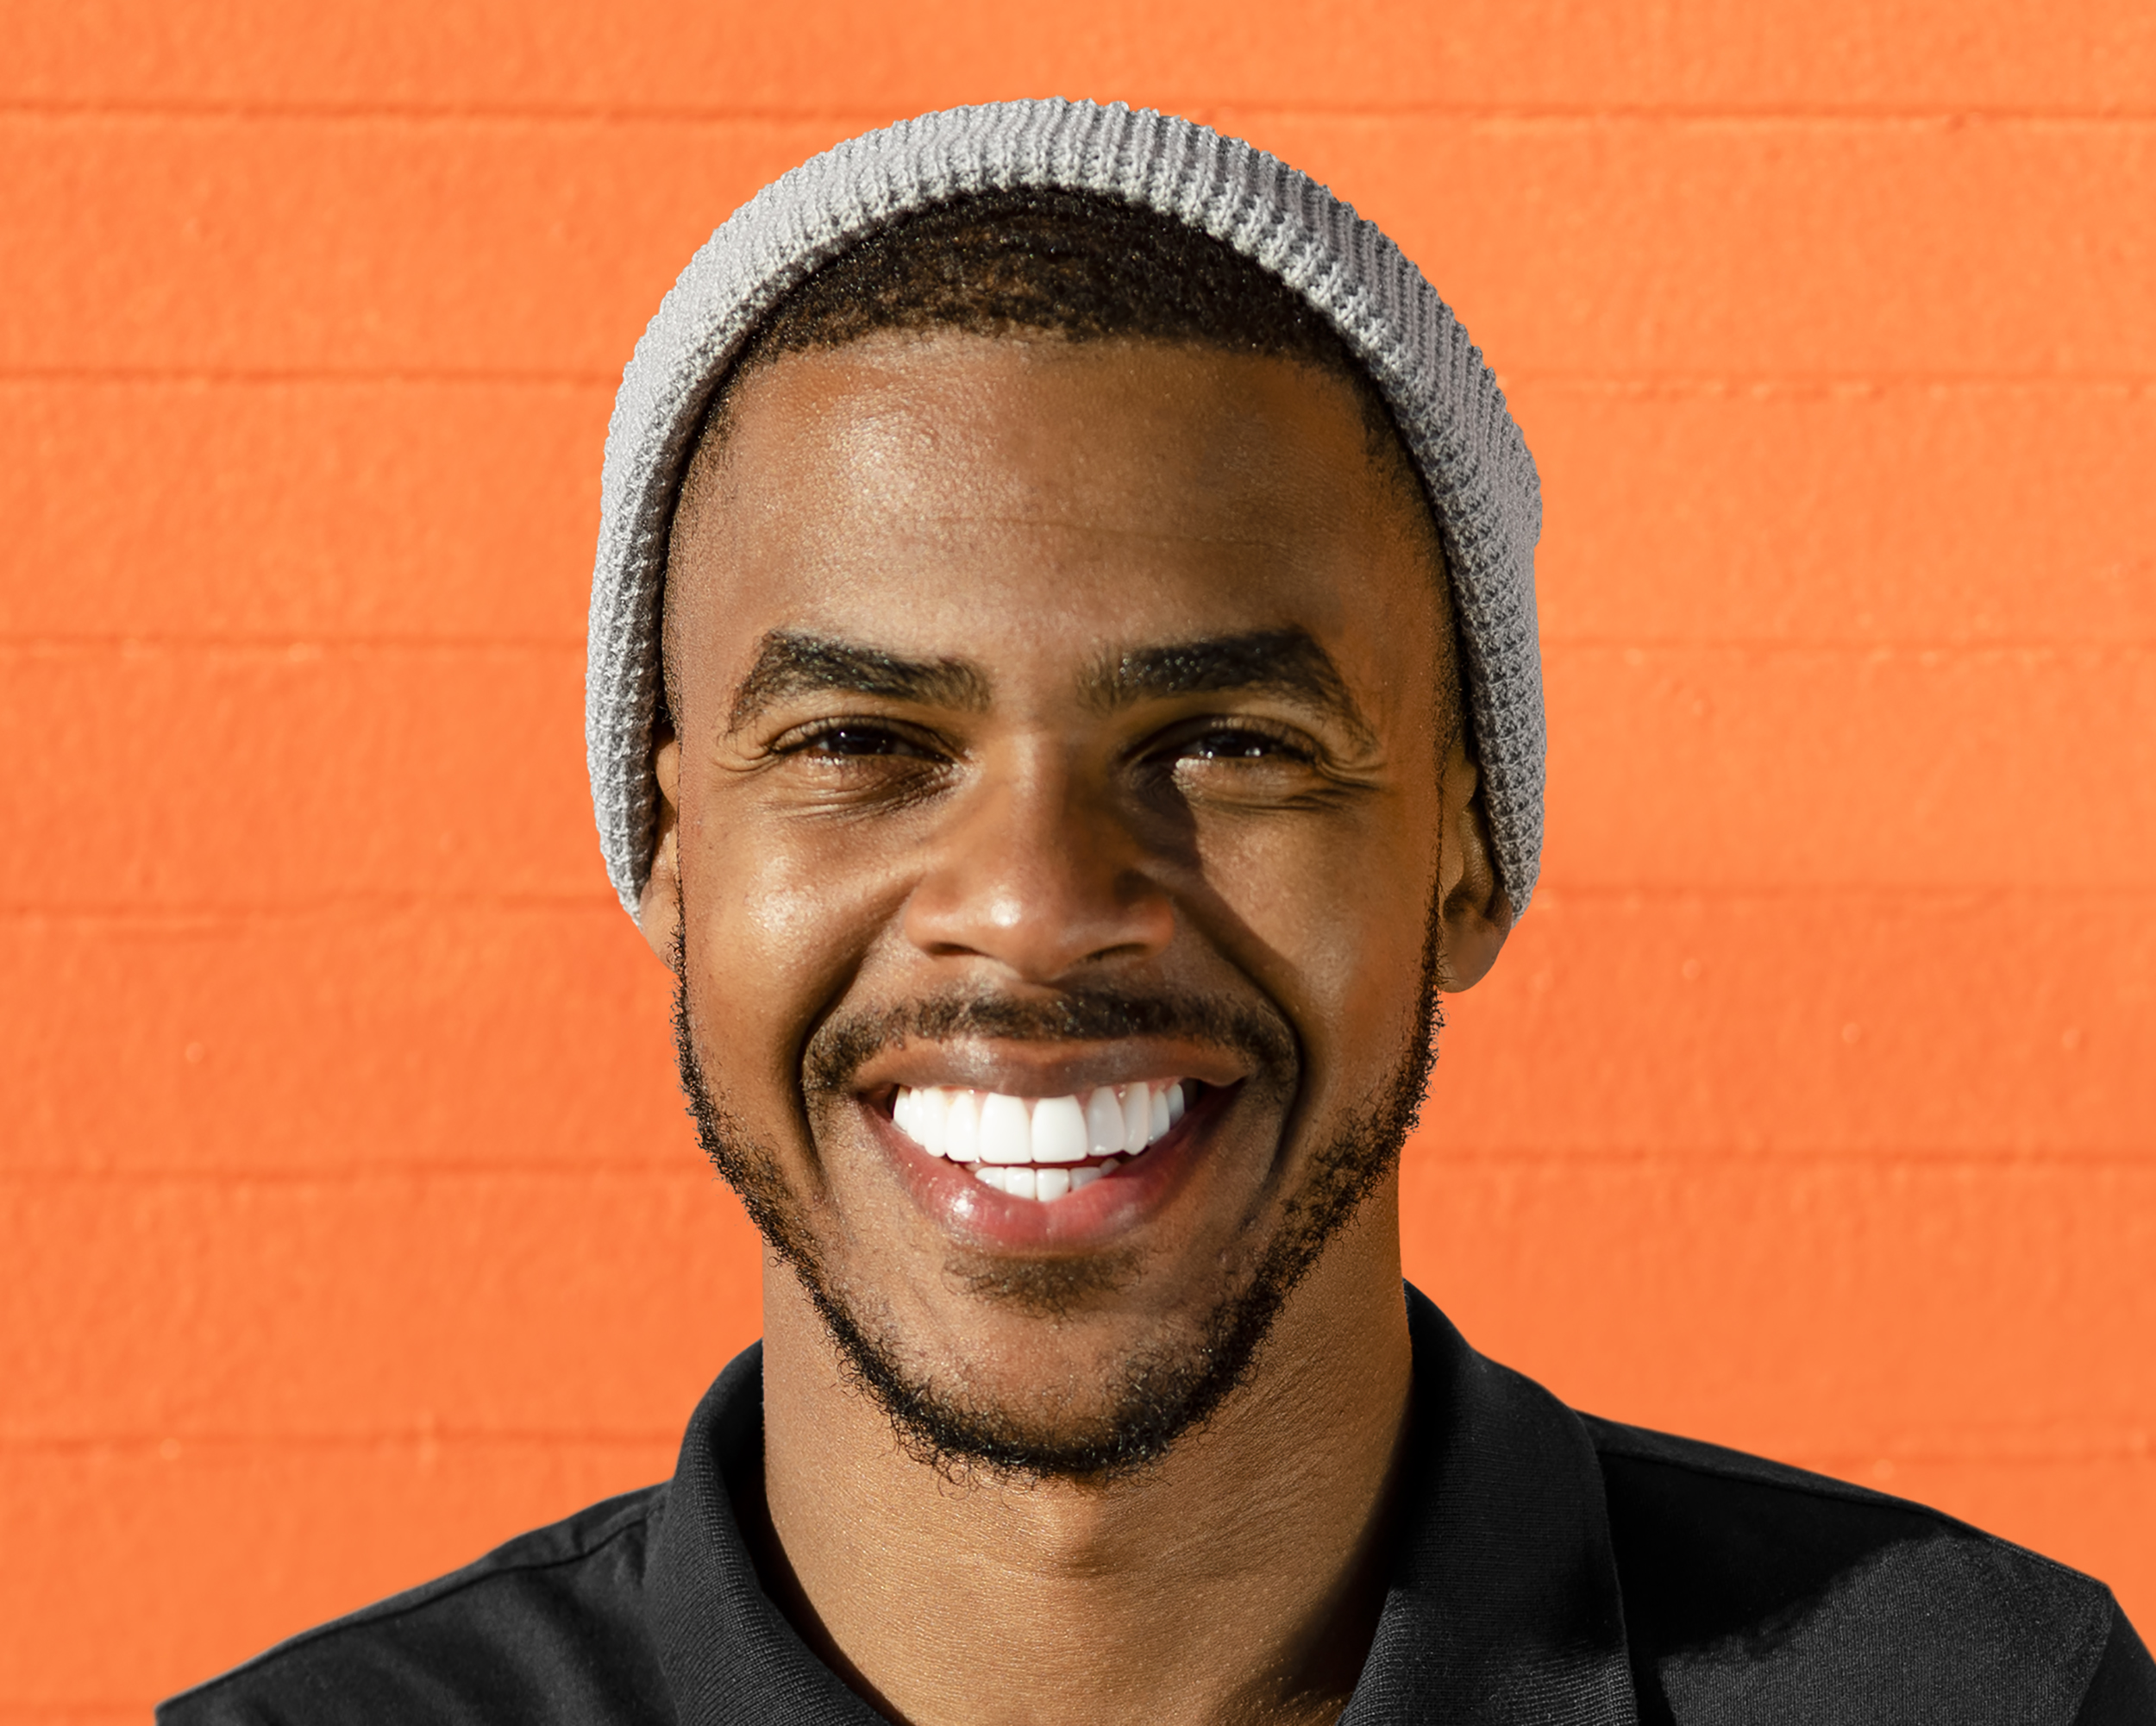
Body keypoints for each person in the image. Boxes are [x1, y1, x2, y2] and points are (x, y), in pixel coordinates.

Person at [160, 99, 2154, 1726]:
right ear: (670, 846)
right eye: (861, 735)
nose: (1032, 912)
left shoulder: (1980, 1692)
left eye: (1229, 741)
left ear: (1464, 843)